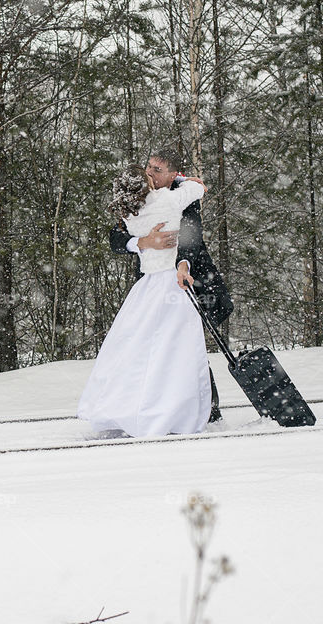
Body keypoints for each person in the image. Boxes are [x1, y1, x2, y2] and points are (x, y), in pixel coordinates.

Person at [77, 165, 211, 438]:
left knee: (135, 349)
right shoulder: (168, 199)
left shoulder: (129, 214)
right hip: (171, 282)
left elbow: (120, 232)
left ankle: (127, 405)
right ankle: (171, 411)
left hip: (147, 287)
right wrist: (186, 180)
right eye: (150, 174)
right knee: (175, 351)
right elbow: (198, 189)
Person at [109, 150, 233, 423]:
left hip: (189, 280)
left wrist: (183, 264)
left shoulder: (175, 196)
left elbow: (191, 235)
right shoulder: (139, 197)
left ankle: (206, 410)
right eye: (149, 167)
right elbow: (115, 238)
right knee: (166, 347)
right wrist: (143, 242)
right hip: (156, 284)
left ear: (173, 174)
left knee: (185, 347)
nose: (150, 172)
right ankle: (165, 407)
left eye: (157, 169)